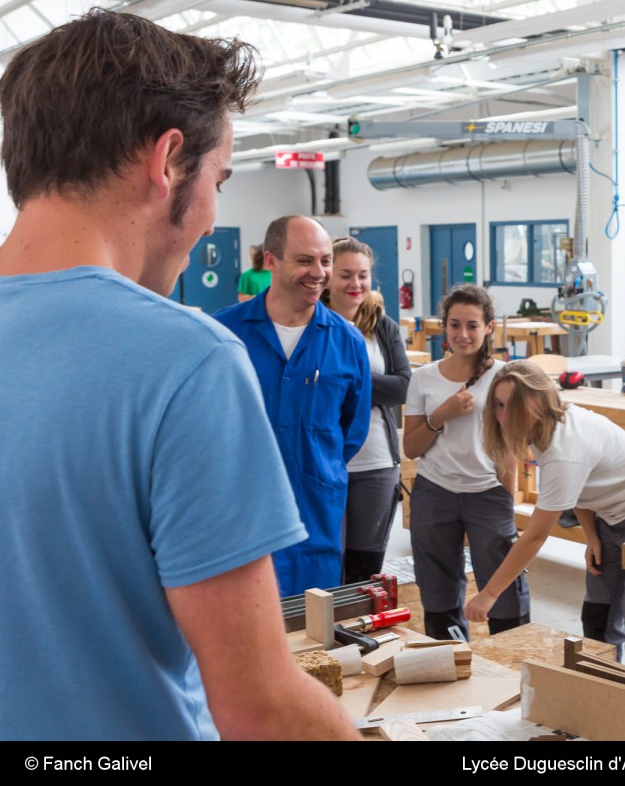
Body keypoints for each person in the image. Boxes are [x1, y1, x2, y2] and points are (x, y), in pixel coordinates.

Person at [0, 9, 359, 740]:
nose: (210, 216)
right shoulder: (189, 360)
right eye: (219, 179)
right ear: (169, 160)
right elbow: (261, 709)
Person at [464, 360, 625, 671]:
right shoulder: (544, 429)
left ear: (538, 401)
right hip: (610, 515)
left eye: (513, 405)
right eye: (499, 405)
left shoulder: (563, 447)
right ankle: (603, 687)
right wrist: (592, 536)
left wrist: (489, 594)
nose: (504, 416)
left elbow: (535, 537)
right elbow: (579, 487)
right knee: (597, 616)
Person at [215, 215, 371, 597]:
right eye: (304, 261)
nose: (318, 272)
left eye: (325, 261)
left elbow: (352, 431)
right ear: (271, 260)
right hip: (241, 516)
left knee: (313, 624)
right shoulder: (225, 337)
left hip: (316, 514)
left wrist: (314, 465)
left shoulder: (347, 342)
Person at [403, 284, 529, 640]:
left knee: (505, 590)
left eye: (472, 325)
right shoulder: (423, 378)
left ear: (489, 327)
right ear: (444, 326)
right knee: (437, 589)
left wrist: (507, 501)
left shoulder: (504, 376)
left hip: (488, 492)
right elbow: (411, 448)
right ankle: (450, 659)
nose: (463, 334)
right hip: (434, 491)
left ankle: (512, 658)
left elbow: (510, 447)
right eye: (455, 325)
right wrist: (441, 414)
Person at [324, 236, 411, 582]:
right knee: (326, 567)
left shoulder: (382, 326)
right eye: (345, 275)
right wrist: (369, 386)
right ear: (327, 276)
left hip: (376, 462)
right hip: (325, 462)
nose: (355, 283)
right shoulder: (312, 324)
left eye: (363, 275)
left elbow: (402, 386)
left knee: (364, 572)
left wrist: (345, 380)